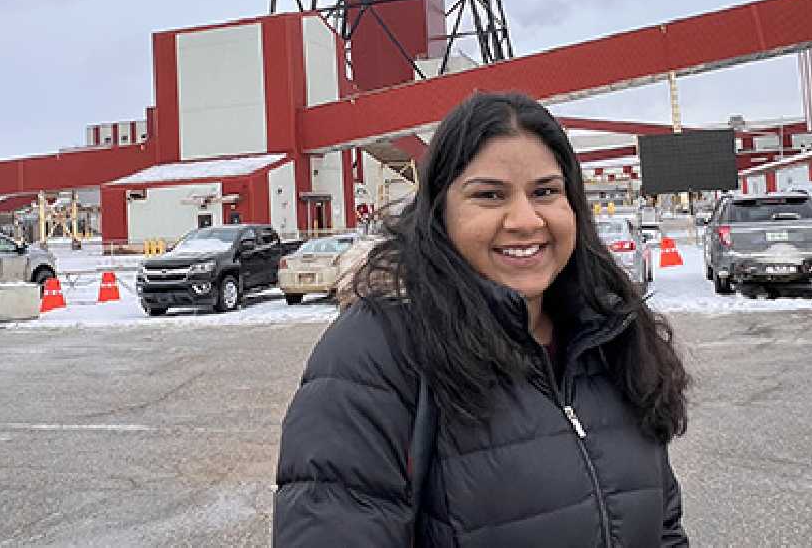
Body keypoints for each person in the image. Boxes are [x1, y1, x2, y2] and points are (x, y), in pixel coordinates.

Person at [273, 92, 690, 547]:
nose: (525, 220)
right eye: (489, 195)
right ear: (439, 214)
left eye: (546, 192)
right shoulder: (378, 350)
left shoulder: (610, 332)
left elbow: (663, 527)